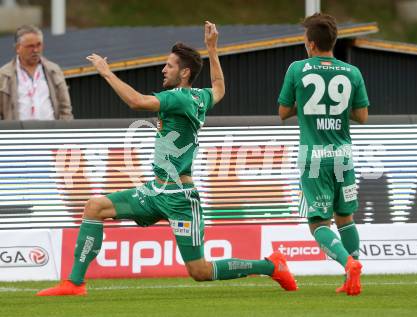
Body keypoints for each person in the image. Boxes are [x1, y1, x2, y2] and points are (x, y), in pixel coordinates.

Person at [37, 21, 296, 296]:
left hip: (180, 198)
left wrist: (106, 73)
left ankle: (270, 266)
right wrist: (212, 48)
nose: (163, 69)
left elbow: (136, 102)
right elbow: (219, 87)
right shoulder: (200, 96)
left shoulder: (180, 98)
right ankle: (75, 283)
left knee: (200, 271)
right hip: (156, 189)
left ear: (184, 73)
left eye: (169, 66)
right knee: (95, 207)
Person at [278, 13, 369, 296]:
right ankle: (354, 275)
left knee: (318, 222)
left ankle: (348, 263)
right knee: (346, 218)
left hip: (314, 157)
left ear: (311, 44)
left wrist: (304, 105)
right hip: (343, 155)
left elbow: (282, 112)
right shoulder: (352, 73)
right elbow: (362, 116)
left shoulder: (297, 69)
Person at [0, 25, 73, 120]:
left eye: (39, 45)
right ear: (18, 48)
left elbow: (65, 108)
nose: (36, 50)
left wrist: (64, 131)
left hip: (50, 132)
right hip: (18, 133)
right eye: (30, 46)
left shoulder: (54, 70)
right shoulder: (4, 75)